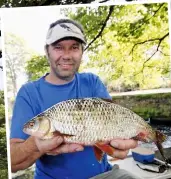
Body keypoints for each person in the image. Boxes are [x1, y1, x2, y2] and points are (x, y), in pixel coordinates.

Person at [10, 18, 138, 179]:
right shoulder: (28, 92)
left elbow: (113, 122)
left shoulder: (92, 82)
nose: (67, 55)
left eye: (74, 47)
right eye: (58, 47)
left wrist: (123, 139)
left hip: (104, 174)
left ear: (81, 52)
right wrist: (36, 144)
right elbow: (12, 162)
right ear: (47, 50)